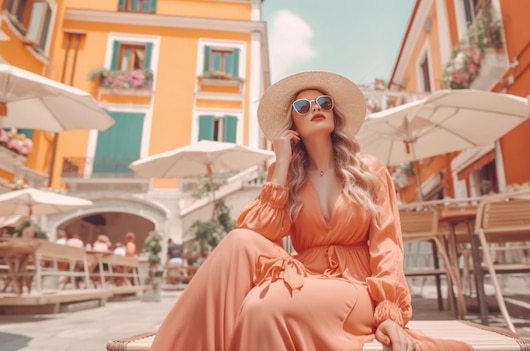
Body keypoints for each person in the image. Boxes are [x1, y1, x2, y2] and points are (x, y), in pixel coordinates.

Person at [150, 71, 472, 351]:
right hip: (306, 278)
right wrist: (280, 169)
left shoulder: (370, 170)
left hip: (358, 287)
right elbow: (256, 232)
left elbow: (387, 246)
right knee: (238, 241)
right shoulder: (287, 175)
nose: (315, 108)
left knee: (260, 308)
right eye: (303, 106)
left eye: (324, 103)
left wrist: (389, 313)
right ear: (293, 126)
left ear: (334, 115)